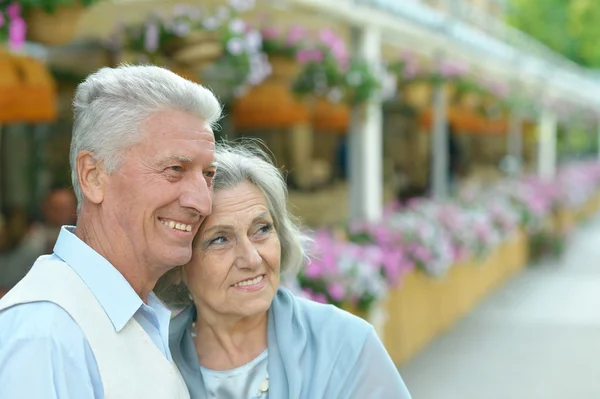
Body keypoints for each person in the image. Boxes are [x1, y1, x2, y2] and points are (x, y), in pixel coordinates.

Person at [0, 64, 222, 398]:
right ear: (93, 176)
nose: (202, 202)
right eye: (175, 169)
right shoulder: (46, 331)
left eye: (208, 174)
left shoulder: (134, 312)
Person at [156, 142, 412, 398]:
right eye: (220, 239)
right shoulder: (153, 360)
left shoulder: (345, 344)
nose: (252, 259)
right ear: (177, 263)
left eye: (262, 229)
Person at [0, 186, 77, 295]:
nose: (61, 212)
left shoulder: (84, 238)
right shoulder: (29, 240)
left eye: (65, 207)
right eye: (57, 208)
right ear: (45, 207)